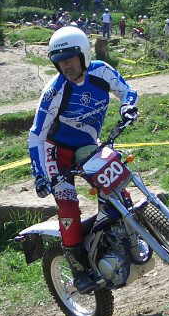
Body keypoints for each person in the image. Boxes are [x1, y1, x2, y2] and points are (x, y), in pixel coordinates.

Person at [28, 26, 139, 294]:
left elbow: (127, 91)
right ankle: (78, 268)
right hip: (57, 153)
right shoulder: (54, 90)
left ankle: (120, 238)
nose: (66, 65)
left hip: (87, 145)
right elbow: (36, 135)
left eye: (70, 59)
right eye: (60, 61)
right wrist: (40, 175)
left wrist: (128, 106)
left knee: (116, 186)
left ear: (84, 55)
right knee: (68, 205)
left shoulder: (102, 72)